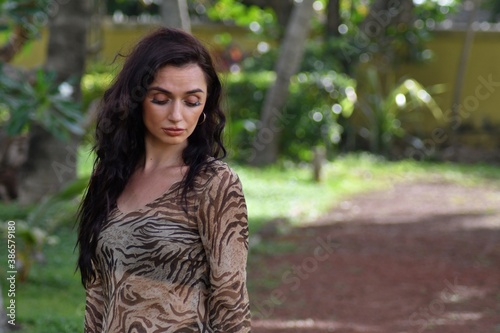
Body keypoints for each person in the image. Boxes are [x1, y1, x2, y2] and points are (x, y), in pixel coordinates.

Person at [77, 27, 251, 333]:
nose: (176, 115)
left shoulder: (214, 184)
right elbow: (97, 295)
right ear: (137, 99)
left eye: (192, 101)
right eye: (161, 99)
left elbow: (231, 301)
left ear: (205, 109)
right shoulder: (109, 177)